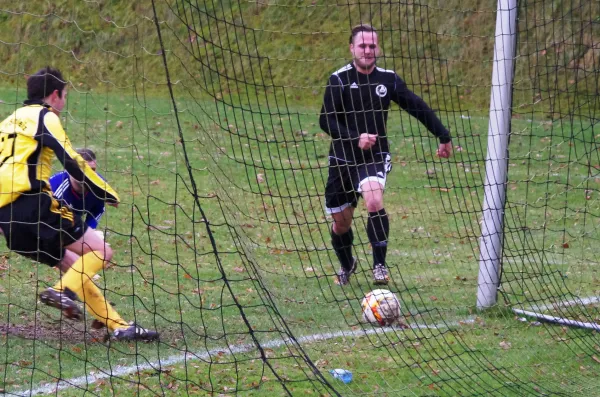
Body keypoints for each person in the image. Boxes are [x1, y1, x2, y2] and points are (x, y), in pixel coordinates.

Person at [0, 67, 158, 341]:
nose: (64, 102)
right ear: (55, 95)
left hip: (7, 219)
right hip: (34, 205)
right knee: (102, 251)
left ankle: (118, 325)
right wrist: (106, 191)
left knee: (73, 265)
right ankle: (62, 292)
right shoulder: (45, 116)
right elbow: (71, 160)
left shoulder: (7, 123)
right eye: (65, 96)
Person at [319, 24, 453, 286]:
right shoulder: (339, 80)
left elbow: (417, 106)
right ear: (352, 48)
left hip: (375, 156)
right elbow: (326, 121)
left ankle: (379, 266)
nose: (368, 51)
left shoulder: (388, 79)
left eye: (372, 46)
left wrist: (443, 135)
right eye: (362, 46)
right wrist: (355, 138)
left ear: (377, 48)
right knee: (341, 224)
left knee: (373, 201)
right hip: (342, 159)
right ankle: (347, 264)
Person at [50, 148, 109, 234]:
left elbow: (97, 211)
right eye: (84, 170)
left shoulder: (99, 186)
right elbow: (50, 222)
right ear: (70, 170)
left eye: (92, 170)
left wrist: (88, 232)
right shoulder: (56, 189)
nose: (89, 175)